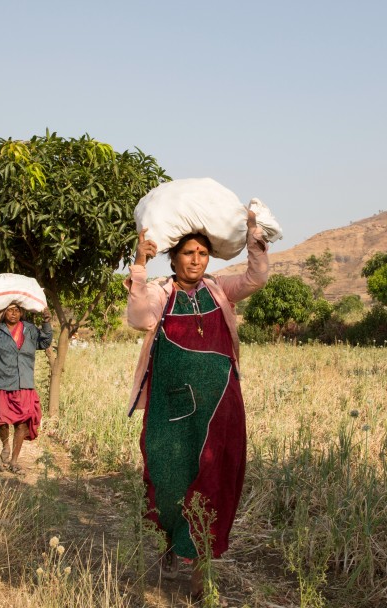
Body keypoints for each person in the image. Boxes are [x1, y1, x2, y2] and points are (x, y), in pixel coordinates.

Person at [125, 209, 268, 596]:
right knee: (169, 477)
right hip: (172, 409)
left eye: (202, 254)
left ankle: (201, 568)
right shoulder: (160, 292)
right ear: (173, 258)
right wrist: (140, 262)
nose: (195, 260)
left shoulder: (220, 289)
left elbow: (257, 277)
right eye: (188, 253)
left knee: (214, 478)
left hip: (219, 406)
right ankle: (172, 540)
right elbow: (139, 318)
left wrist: (255, 239)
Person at [0, 295, 53, 474]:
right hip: (2, 381)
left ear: (22, 312)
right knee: (1, 420)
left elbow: (45, 342)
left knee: (22, 423)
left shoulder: (30, 329)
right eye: (9, 309)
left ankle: (14, 461)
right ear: (3, 311)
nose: (13, 313)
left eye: (17, 310)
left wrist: (46, 322)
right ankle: (5, 447)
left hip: (24, 382)